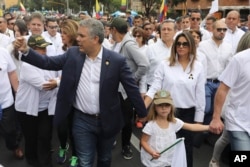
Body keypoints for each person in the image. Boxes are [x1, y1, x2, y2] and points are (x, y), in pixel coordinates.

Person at [14, 18, 147, 167]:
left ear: (95, 38)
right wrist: (26, 51)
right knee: (84, 160)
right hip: (82, 121)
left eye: (82, 36)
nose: (77, 39)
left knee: (104, 158)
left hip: (107, 119)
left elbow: (131, 88)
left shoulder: (116, 60)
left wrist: (142, 113)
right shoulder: (73, 54)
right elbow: (47, 63)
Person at [144, 31, 206, 167]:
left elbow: (200, 94)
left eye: (185, 44)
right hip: (167, 112)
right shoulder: (165, 65)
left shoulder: (198, 66)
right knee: (165, 147)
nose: (181, 46)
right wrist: (143, 107)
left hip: (188, 112)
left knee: (186, 147)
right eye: (178, 43)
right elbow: (155, 87)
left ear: (191, 46)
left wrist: (199, 120)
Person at [15, 34, 59, 167]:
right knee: (31, 138)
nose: (44, 52)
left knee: (45, 137)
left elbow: (57, 75)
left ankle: (46, 163)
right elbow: (44, 86)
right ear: (32, 50)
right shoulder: (27, 65)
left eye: (45, 48)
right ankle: (32, 161)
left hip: (45, 108)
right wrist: (58, 82)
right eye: (41, 49)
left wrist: (57, 81)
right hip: (27, 110)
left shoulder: (47, 61)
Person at [110, 17, 149, 159]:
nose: (110, 32)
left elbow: (144, 64)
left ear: (114, 30)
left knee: (126, 121)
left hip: (125, 92)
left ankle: (126, 146)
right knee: (114, 117)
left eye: (110, 30)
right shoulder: (117, 43)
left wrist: (131, 80)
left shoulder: (128, 44)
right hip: (115, 89)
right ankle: (113, 139)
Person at [209, 31, 250, 167]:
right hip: (238, 121)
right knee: (243, 160)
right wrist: (216, 118)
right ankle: (214, 160)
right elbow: (223, 89)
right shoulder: (240, 59)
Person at [141, 90, 209, 167]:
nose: (164, 108)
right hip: (154, 160)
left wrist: (209, 127)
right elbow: (143, 141)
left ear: (171, 107)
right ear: (155, 107)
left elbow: (192, 127)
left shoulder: (174, 122)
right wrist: (151, 152)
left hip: (168, 159)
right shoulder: (150, 125)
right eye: (160, 105)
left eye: (167, 105)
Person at [198, 20, 233, 124]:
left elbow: (229, 67)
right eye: (219, 29)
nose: (222, 32)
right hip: (206, 83)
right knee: (206, 109)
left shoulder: (229, 47)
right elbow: (199, 65)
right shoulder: (202, 46)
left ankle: (213, 135)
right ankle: (203, 132)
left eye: (224, 30)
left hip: (222, 83)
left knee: (219, 110)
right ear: (212, 30)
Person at [55, 19, 79, 167]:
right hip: (61, 96)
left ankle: (76, 155)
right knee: (61, 127)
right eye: (61, 32)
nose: (61, 35)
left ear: (72, 34)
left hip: (76, 97)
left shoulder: (79, 52)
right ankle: (63, 147)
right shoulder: (60, 49)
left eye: (65, 33)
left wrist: (58, 81)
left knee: (74, 130)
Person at [0, 46, 23, 160]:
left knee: (10, 130)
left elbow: (12, 73)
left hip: (5, 100)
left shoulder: (3, 52)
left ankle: (14, 146)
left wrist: (17, 92)